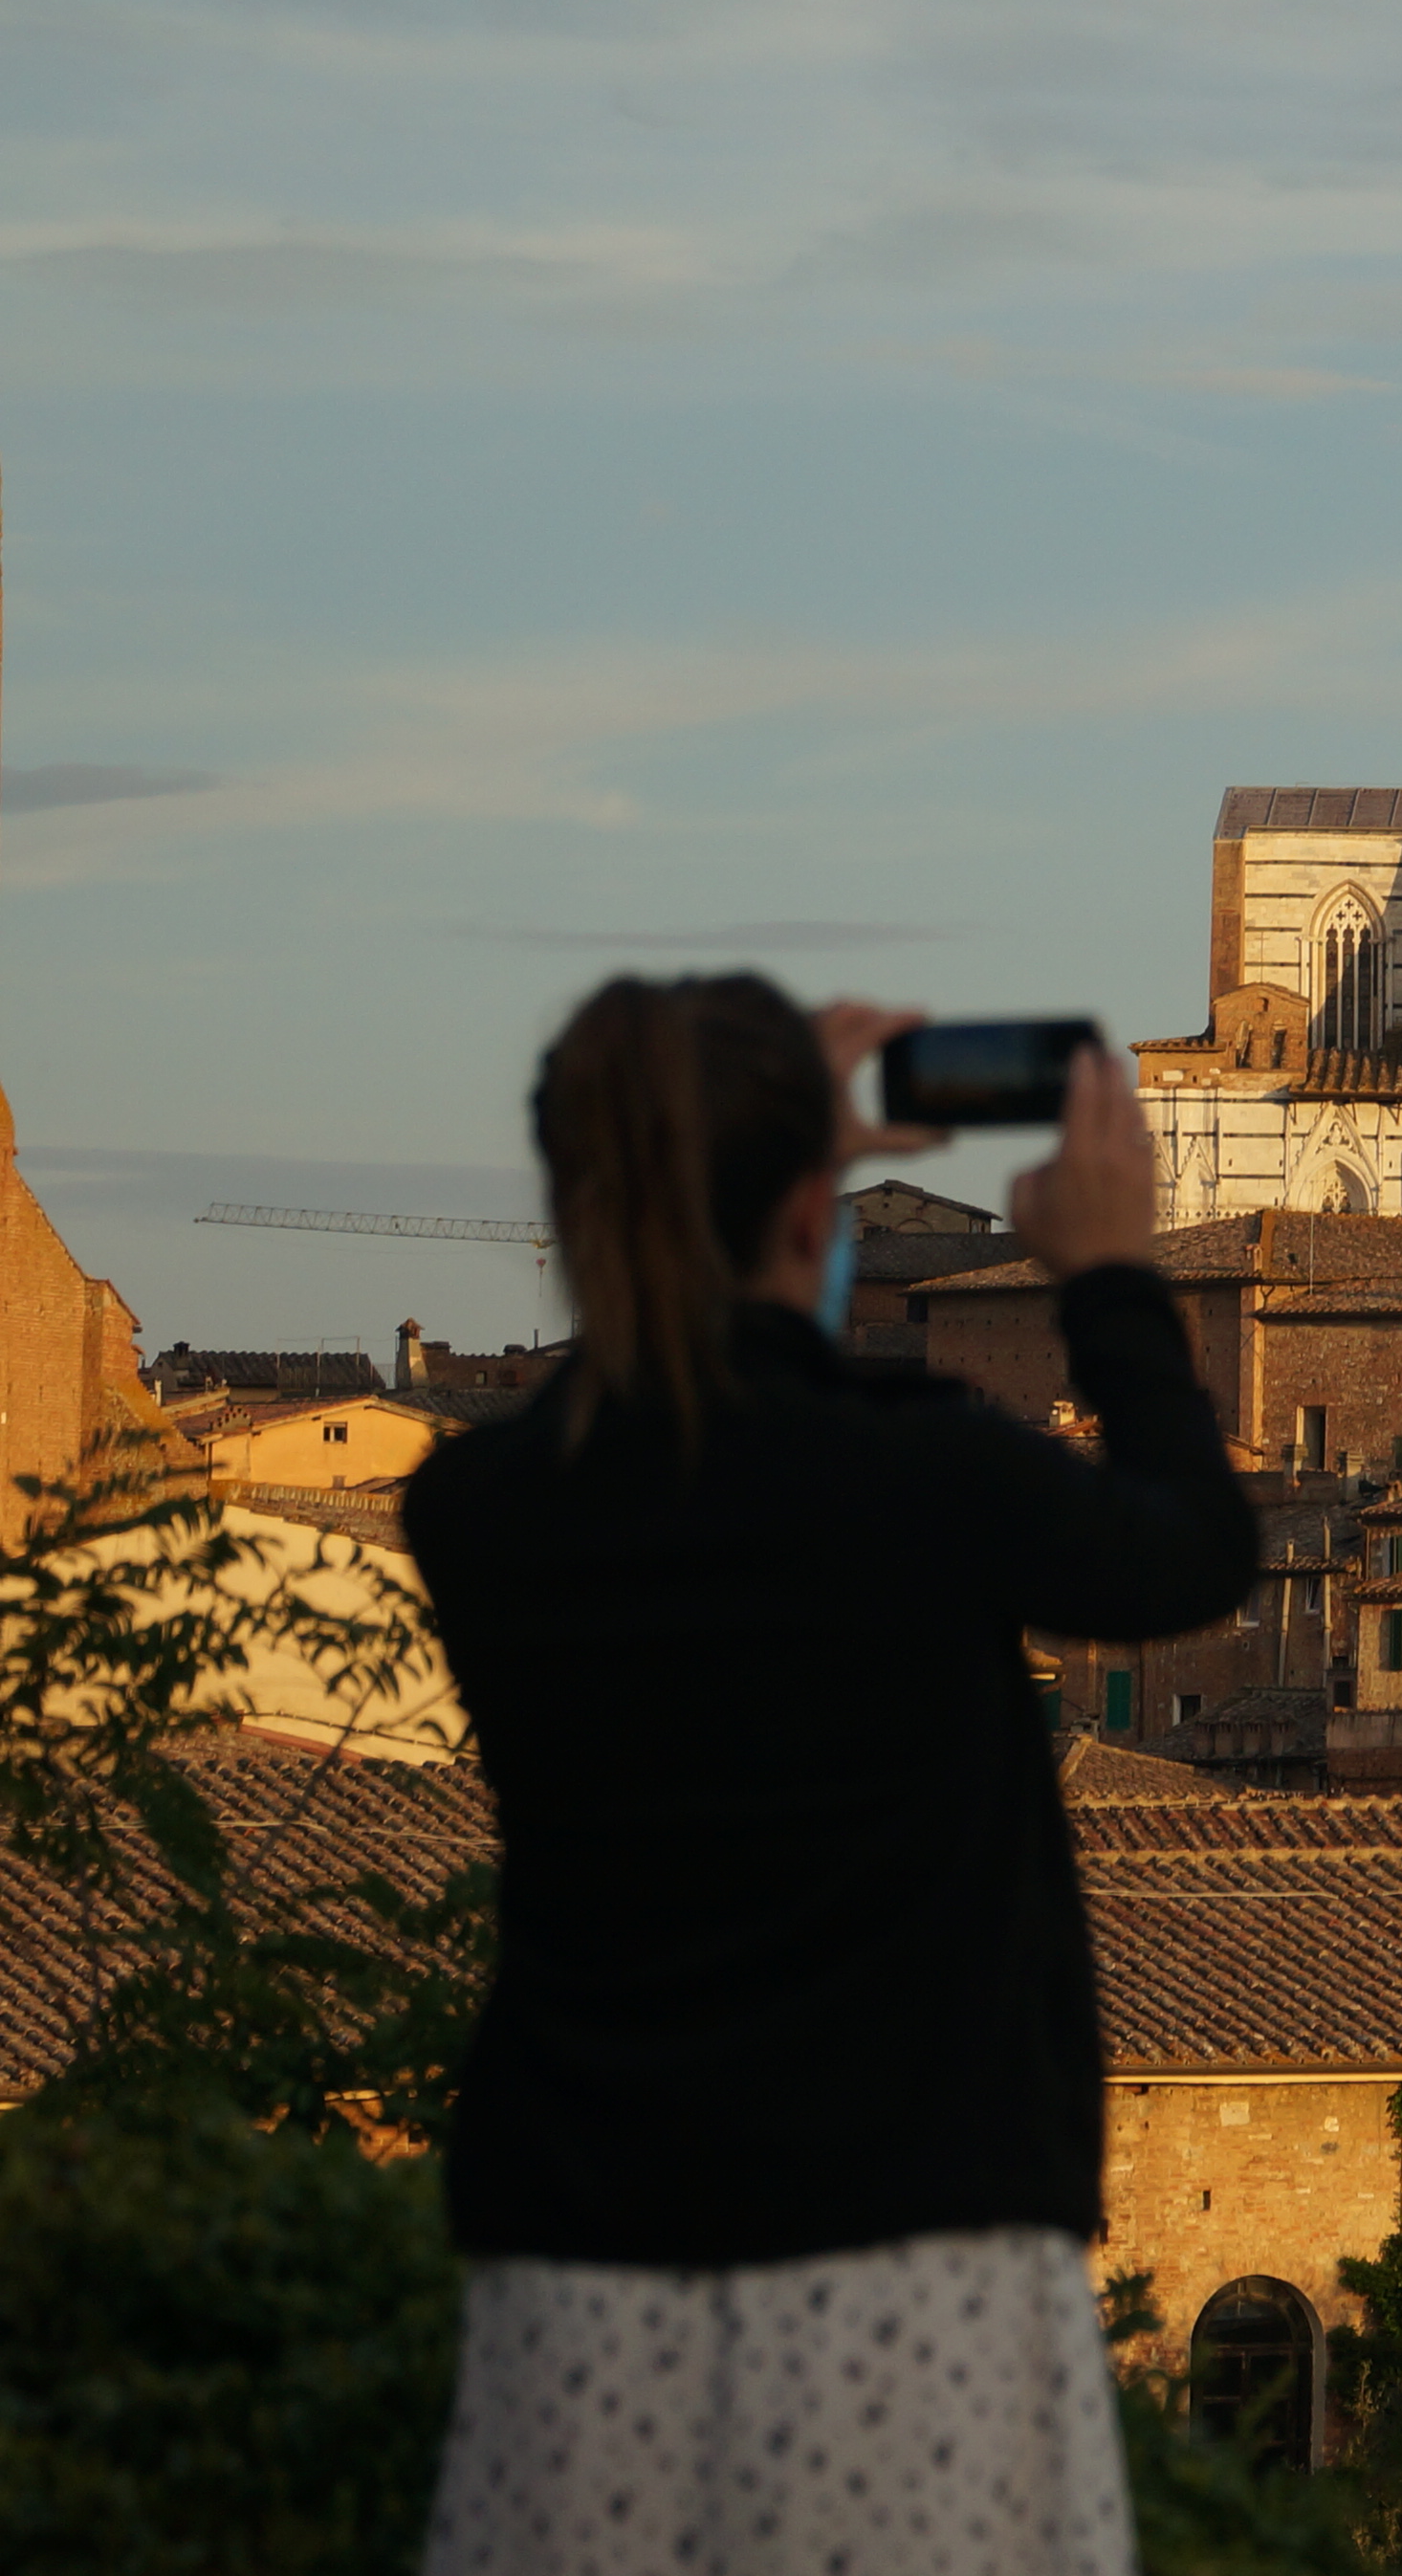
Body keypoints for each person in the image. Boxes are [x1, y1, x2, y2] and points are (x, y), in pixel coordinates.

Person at [402, 975, 1255, 2576]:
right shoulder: (920, 1471)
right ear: (814, 1205)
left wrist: (760, 1163)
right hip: (913, 2258)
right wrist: (1115, 1283)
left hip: (583, 2261)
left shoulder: (484, 1514)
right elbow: (1188, 1548)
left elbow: (639, 1404)